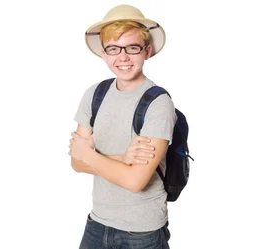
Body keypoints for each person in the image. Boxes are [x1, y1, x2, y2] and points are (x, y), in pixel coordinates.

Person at [69, 4, 176, 249]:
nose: (123, 57)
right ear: (104, 54)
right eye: (114, 49)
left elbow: (135, 181)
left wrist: (88, 154)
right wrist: (122, 158)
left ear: (146, 52)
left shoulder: (159, 103)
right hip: (97, 224)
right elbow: (76, 163)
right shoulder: (94, 94)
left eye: (132, 48)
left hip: (142, 231)